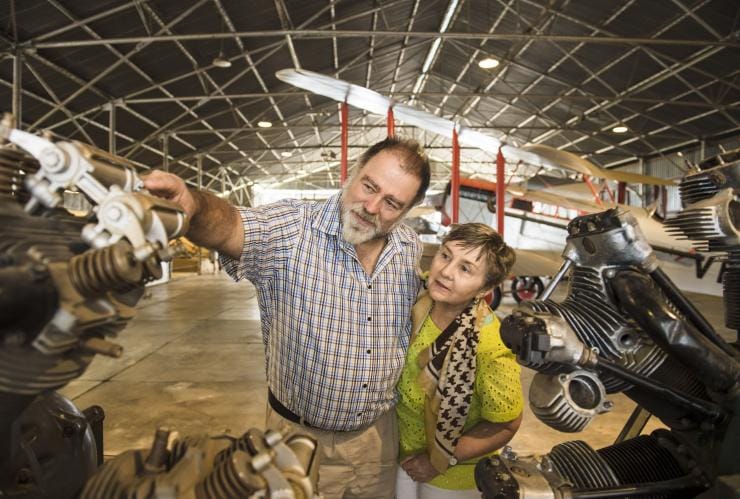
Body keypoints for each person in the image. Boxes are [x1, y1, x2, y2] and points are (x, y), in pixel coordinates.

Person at [143, 136, 431, 498]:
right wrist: (193, 206)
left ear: (407, 211)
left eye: (391, 203)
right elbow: (233, 226)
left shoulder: (408, 248)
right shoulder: (293, 229)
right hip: (297, 439)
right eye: (369, 186)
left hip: (377, 440)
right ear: (354, 171)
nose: (371, 206)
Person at [396, 223, 523, 498]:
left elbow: (506, 424)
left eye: (465, 269)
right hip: (401, 456)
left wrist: (436, 460)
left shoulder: (489, 344)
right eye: (445, 255)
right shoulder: (419, 300)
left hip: (453, 476)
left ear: (485, 288)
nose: (446, 271)